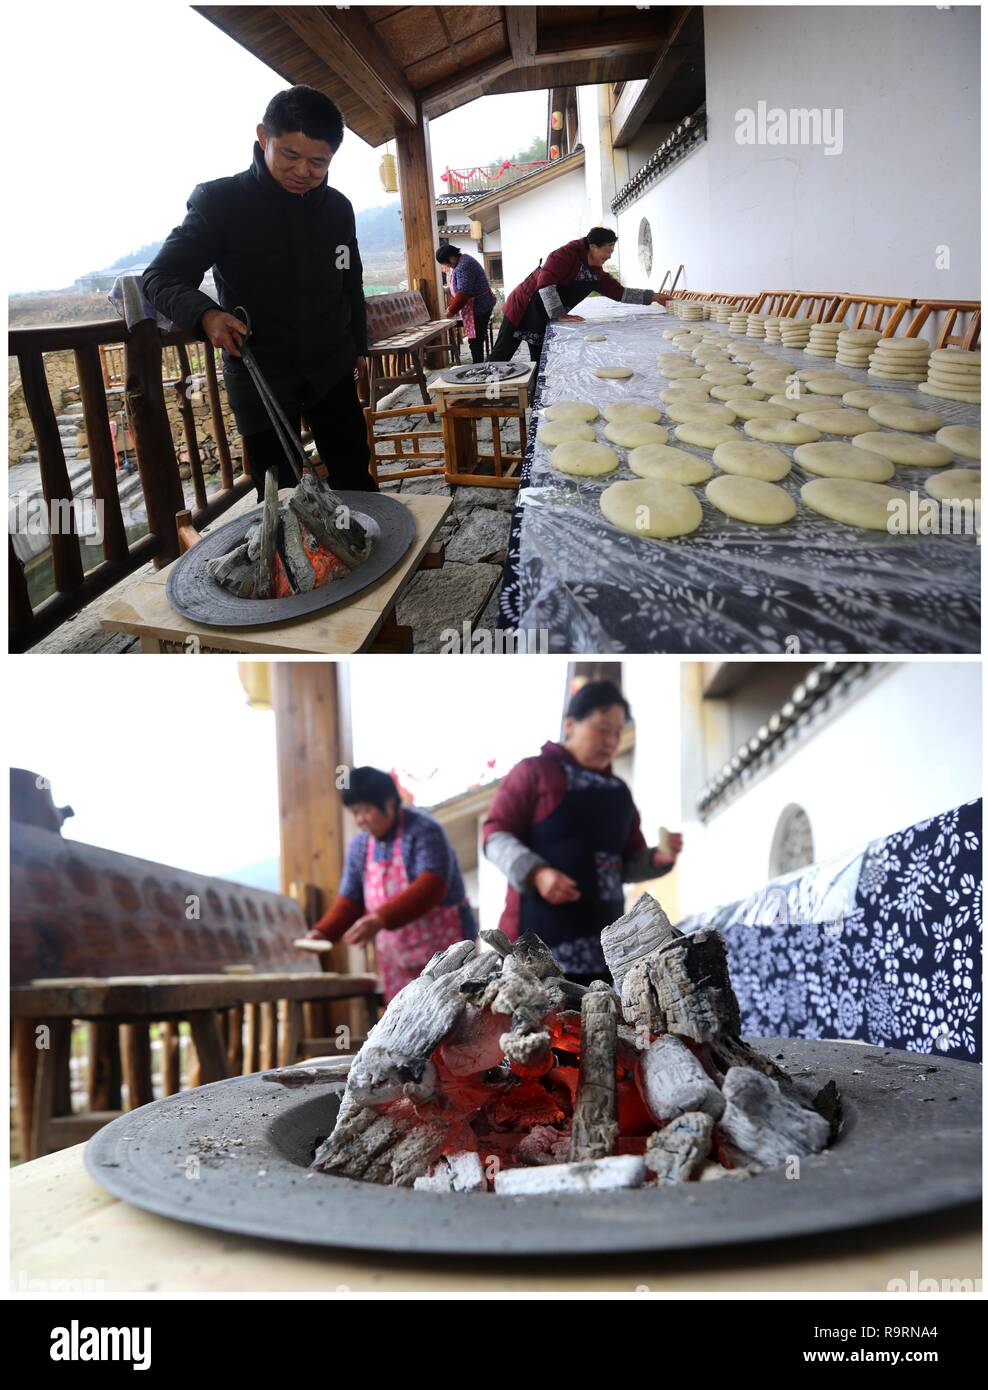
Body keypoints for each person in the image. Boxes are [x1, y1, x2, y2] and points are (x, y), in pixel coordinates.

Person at [142, 85, 377, 500]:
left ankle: (374, 557)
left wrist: (359, 345)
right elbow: (159, 277)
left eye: (318, 161)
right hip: (260, 373)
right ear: (263, 138)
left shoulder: (338, 209)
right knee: (279, 498)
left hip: (331, 367)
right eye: (291, 155)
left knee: (355, 477)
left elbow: (349, 282)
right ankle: (291, 565)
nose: (304, 170)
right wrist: (205, 315)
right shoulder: (220, 203)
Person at [481, 680, 682, 985]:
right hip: (536, 940)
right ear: (570, 724)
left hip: (604, 946)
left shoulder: (619, 792)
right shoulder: (534, 773)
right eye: (603, 729)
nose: (612, 740)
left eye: (617, 732)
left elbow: (626, 863)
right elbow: (495, 834)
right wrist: (536, 873)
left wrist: (658, 858)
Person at [304, 767, 476, 1002]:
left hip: (445, 948)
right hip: (396, 958)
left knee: (453, 1013)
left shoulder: (424, 831)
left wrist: (379, 919)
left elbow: (432, 885)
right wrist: (323, 932)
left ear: (389, 802)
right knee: (404, 1021)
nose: (360, 820)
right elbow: (351, 900)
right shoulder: (360, 847)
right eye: (355, 812)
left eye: (366, 810)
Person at [488, 226, 670, 363]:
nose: (609, 256)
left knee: (541, 361)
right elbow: (545, 282)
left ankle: (536, 399)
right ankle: (481, 394)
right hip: (524, 306)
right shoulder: (566, 255)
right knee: (501, 355)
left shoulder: (595, 273)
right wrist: (559, 314)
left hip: (544, 316)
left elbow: (619, 292)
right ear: (593, 246)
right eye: (607, 250)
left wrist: (653, 296)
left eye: (611, 251)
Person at [436, 243, 497, 363]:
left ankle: (478, 366)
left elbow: (464, 293)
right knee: (476, 339)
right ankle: (478, 365)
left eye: (446, 263)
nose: (447, 266)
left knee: (475, 340)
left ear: (451, 257)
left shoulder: (464, 265)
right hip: (477, 305)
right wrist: (452, 307)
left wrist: (452, 310)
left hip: (480, 306)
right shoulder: (462, 261)